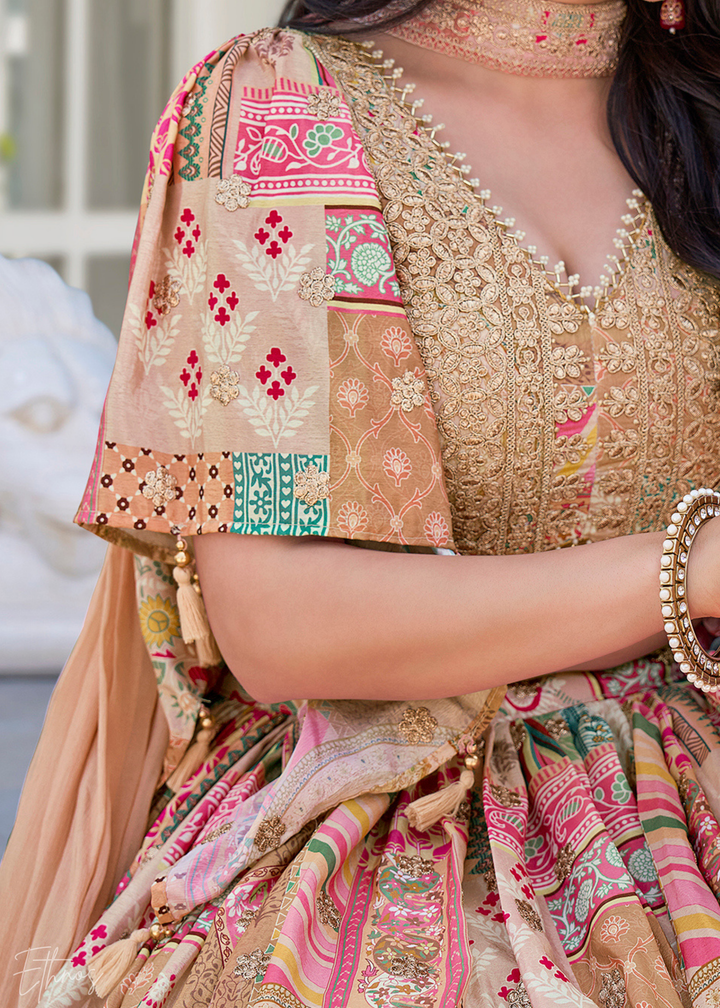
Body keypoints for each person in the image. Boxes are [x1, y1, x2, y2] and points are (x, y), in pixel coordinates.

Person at [2, 0, 720, 1004]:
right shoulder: (283, 106)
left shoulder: (702, 110)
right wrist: (688, 571)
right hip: (379, 836)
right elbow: (282, 622)